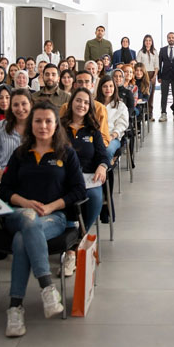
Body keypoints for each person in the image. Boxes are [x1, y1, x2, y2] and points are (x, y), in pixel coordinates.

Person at [0, 102, 86, 337]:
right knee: (27, 219)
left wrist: (50, 207)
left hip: (54, 217)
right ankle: (47, 287)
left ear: (56, 124)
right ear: (31, 124)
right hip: (18, 214)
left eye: (48, 120)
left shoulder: (66, 154)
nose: (43, 126)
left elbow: (79, 191)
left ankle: (15, 307)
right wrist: (26, 203)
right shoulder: (20, 154)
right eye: (38, 121)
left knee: (20, 241)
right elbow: (4, 191)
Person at [61, 88, 109, 259]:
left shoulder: (93, 130)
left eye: (86, 102)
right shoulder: (59, 127)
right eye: (78, 100)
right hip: (63, 177)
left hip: (88, 177)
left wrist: (102, 166)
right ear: (71, 102)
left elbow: (103, 155)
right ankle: (69, 238)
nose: (82, 105)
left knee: (95, 197)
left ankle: (79, 237)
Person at [0, 89, 33, 197]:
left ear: (31, 104)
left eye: (24, 104)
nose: (20, 109)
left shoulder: (37, 127)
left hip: (25, 174)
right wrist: (1, 174)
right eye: (15, 105)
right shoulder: (1, 126)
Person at [60, 71, 111, 146]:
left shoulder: (100, 108)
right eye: (80, 82)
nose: (83, 85)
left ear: (92, 85)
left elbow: (104, 138)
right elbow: (58, 133)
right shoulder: (65, 107)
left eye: (87, 82)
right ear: (75, 85)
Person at [97, 75, 129, 163]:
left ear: (114, 88)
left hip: (113, 137)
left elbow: (122, 124)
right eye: (105, 86)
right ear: (100, 88)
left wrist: (112, 136)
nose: (108, 89)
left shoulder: (120, 106)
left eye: (111, 86)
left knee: (107, 151)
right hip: (96, 137)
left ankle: (104, 171)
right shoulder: (94, 104)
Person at [138, 35, 159, 119]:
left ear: (152, 42)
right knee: (144, 94)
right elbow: (138, 65)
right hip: (144, 74)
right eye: (146, 40)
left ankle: (150, 114)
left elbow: (156, 65)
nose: (148, 42)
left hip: (152, 74)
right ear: (144, 42)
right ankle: (143, 114)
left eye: (149, 40)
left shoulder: (154, 51)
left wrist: (154, 76)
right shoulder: (141, 52)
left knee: (151, 95)